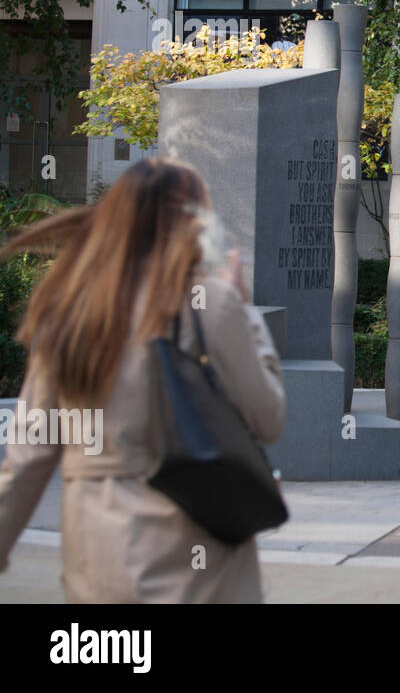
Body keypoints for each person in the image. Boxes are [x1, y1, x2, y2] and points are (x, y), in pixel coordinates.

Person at [0, 158, 285, 602]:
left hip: (99, 559)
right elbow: (268, 418)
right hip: (199, 553)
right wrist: (244, 311)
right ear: (193, 221)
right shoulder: (210, 301)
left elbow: (28, 456)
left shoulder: (69, 307)